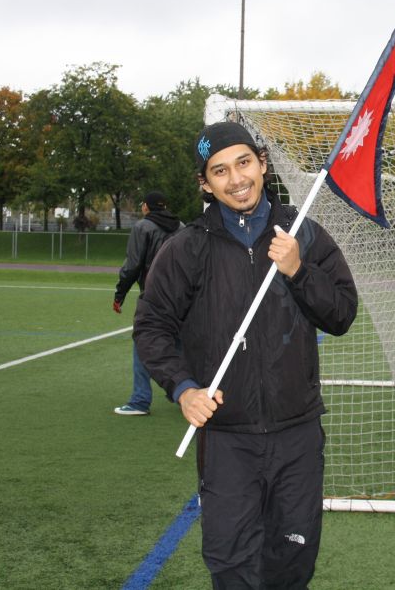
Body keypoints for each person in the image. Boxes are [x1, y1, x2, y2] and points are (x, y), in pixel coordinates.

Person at [134, 121, 358, 589]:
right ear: (205, 183)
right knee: (231, 565)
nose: (236, 179)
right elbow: (152, 327)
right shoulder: (187, 247)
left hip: (296, 434)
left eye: (243, 163)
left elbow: (341, 314)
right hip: (227, 439)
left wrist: (298, 270)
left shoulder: (303, 234)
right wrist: (183, 389)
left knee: (292, 563)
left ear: (262, 163)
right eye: (220, 171)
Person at [112, 190, 183, 416]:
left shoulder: (143, 227)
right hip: (181, 296)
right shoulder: (182, 227)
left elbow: (133, 264)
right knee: (179, 345)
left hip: (154, 295)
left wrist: (120, 293)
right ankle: (183, 392)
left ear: (146, 207)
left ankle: (140, 400)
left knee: (143, 342)